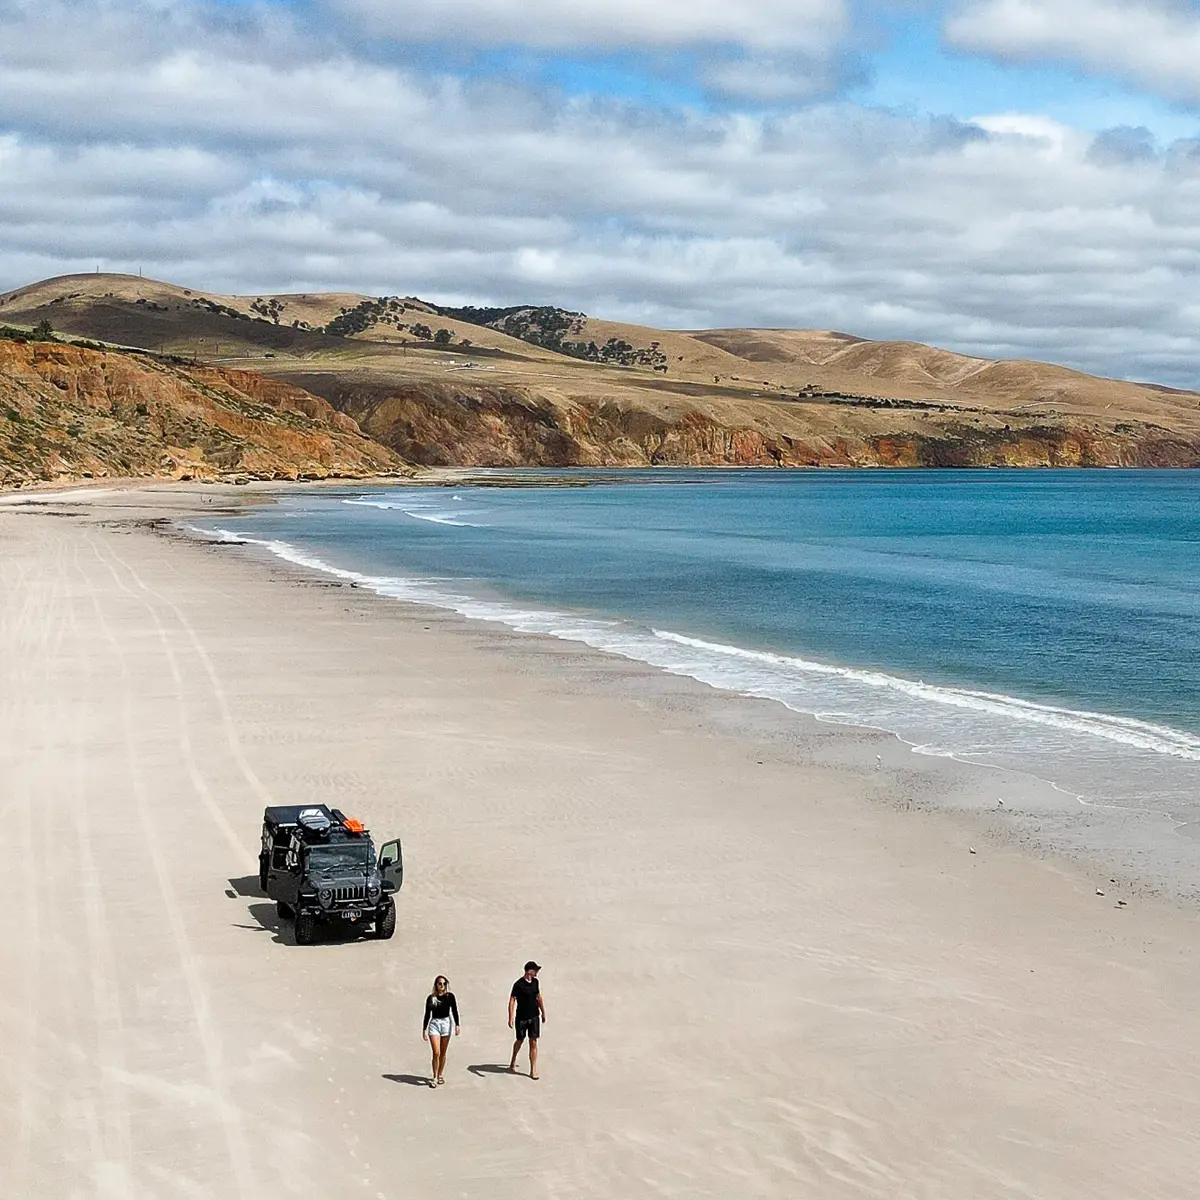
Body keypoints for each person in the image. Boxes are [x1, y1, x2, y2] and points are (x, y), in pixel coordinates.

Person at [508, 961, 545, 1079]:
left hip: (534, 1016)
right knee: (519, 1040)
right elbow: (512, 1000)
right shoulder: (518, 985)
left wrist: (543, 1012)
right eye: (535, 970)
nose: (537, 972)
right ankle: (513, 1060)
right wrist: (510, 1017)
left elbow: (538, 997)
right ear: (529, 971)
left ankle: (533, 1070)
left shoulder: (536, 982)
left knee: (533, 1042)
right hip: (521, 1017)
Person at [422, 975, 460, 1087]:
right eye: (439, 984)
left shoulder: (450, 997)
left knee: (443, 1052)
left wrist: (457, 1024)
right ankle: (434, 1077)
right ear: (436, 985)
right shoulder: (431, 998)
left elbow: (454, 1010)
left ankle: (440, 1074)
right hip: (434, 1024)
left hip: (446, 1023)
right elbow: (427, 1014)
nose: (442, 986)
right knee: (436, 1052)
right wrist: (424, 1029)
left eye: (444, 984)